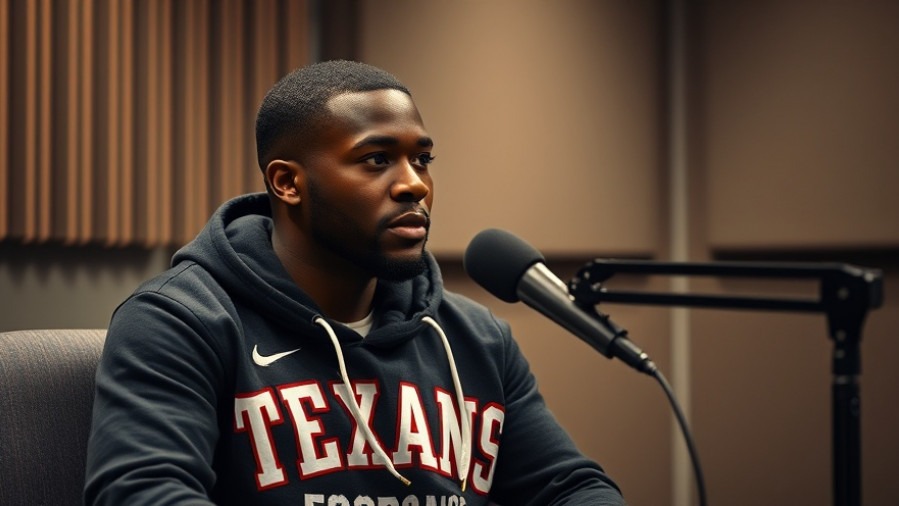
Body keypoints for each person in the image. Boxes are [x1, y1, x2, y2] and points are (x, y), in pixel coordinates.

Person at [84, 59, 626, 505]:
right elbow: (142, 493)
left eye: (422, 159)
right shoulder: (180, 320)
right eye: (376, 159)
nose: (414, 184)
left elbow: (571, 488)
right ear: (287, 182)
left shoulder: (476, 337)